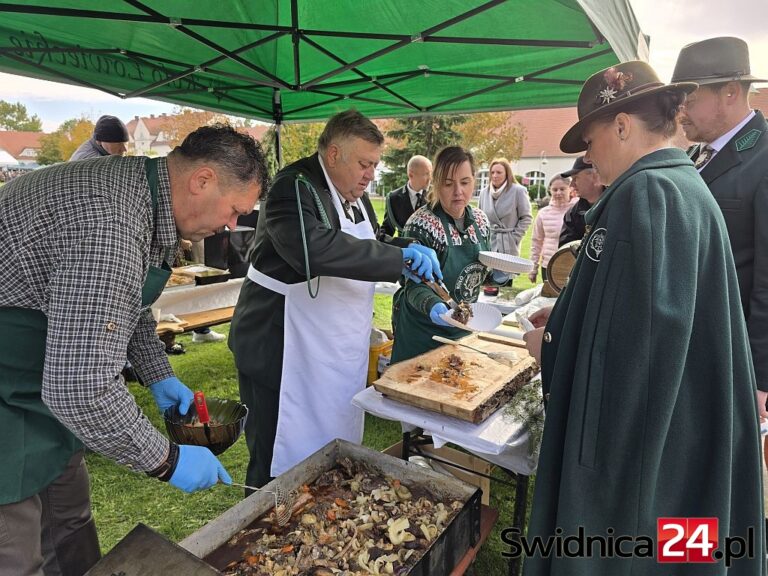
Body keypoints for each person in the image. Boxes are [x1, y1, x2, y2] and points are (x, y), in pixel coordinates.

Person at [521, 61, 763, 575]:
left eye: (590, 141)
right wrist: (568, 314)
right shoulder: (686, 188)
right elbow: (643, 316)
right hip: (686, 440)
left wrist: (552, 348)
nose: (588, 158)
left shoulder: (646, 196)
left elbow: (633, 364)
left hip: (643, 474)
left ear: (623, 125)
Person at [0, 124, 268, 576]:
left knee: (70, 522)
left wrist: (158, 372)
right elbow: (80, 389)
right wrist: (168, 460)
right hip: (12, 383)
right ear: (202, 181)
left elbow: (128, 303)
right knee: (16, 550)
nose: (232, 226)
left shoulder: (146, 196)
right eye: (234, 210)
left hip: (43, 380)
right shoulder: (110, 225)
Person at [229, 110, 441, 489]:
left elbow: (367, 242)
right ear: (333, 155)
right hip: (282, 345)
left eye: (374, 165)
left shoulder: (354, 196)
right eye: (364, 164)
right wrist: (396, 259)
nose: (370, 175)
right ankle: (260, 523)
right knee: (276, 450)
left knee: (330, 445)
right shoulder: (292, 187)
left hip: (332, 350)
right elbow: (313, 248)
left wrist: (405, 248)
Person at [390, 146, 491, 363]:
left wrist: (497, 275)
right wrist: (434, 306)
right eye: (448, 183)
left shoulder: (481, 221)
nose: (458, 192)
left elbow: (477, 272)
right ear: (435, 183)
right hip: (422, 333)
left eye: (464, 182)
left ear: (474, 180)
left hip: (463, 329)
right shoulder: (421, 224)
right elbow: (412, 285)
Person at [477, 157, 532, 285]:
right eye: (492, 172)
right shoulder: (484, 193)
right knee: (486, 286)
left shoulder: (518, 191)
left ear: (507, 173)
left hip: (508, 243)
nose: (495, 176)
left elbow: (526, 217)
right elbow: (479, 218)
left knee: (504, 284)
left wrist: (515, 237)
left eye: (499, 172)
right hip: (489, 243)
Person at [527, 175, 571, 284]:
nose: (558, 193)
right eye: (555, 190)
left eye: (562, 189)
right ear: (550, 190)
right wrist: (533, 268)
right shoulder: (543, 213)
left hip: (571, 265)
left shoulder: (577, 209)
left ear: (570, 189)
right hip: (548, 265)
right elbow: (536, 241)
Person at [379, 154, 433, 237]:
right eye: (426, 174)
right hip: (405, 248)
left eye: (430, 173)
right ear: (411, 175)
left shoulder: (435, 196)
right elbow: (387, 230)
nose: (430, 178)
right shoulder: (393, 198)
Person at [558, 156, 605, 245]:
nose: (571, 185)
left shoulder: (617, 205)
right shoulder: (573, 214)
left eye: (575, 178)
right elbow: (565, 252)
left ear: (595, 177)